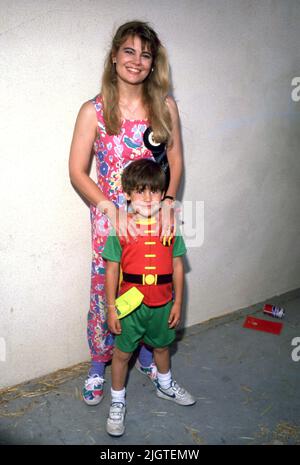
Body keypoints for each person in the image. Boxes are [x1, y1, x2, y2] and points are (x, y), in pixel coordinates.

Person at [68, 20, 184, 406]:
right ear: (115, 55)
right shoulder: (94, 110)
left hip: (155, 218)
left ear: (153, 63)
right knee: (111, 292)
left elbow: (176, 160)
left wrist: (168, 202)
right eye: (129, 51)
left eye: (145, 54)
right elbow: (76, 171)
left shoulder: (165, 106)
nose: (137, 60)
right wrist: (111, 212)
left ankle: (150, 357)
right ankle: (100, 365)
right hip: (112, 219)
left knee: (154, 285)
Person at [103, 159, 195, 437]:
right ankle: (117, 401)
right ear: (128, 194)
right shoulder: (121, 227)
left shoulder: (169, 227)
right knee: (122, 354)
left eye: (154, 191)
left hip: (163, 303)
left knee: (163, 347)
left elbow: (178, 265)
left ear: (162, 193)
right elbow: (111, 269)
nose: (147, 197)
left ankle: (165, 385)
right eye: (140, 191)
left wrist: (178, 302)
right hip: (130, 305)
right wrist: (110, 308)